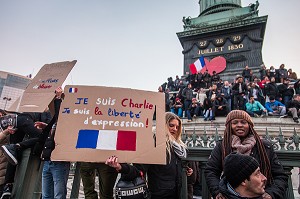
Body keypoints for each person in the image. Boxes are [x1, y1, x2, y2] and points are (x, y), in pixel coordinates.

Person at [105, 112, 193, 199]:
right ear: (163, 125)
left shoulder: (179, 147)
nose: (175, 129)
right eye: (171, 125)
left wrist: (186, 170)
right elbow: (138, 170)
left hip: (178, 193)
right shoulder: (153, 144)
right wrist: (121, 167)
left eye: (177, 127)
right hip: (160, 194)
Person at [204, 110, 288, 199]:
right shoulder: (222, 146)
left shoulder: (264, 146)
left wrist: (271, 193)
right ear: (229, 126)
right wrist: (217, 192)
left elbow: (280, 175)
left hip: (261, 194)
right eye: (235, 122)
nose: (239, 125)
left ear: (250, 126)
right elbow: (211, 171)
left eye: (243, 122)